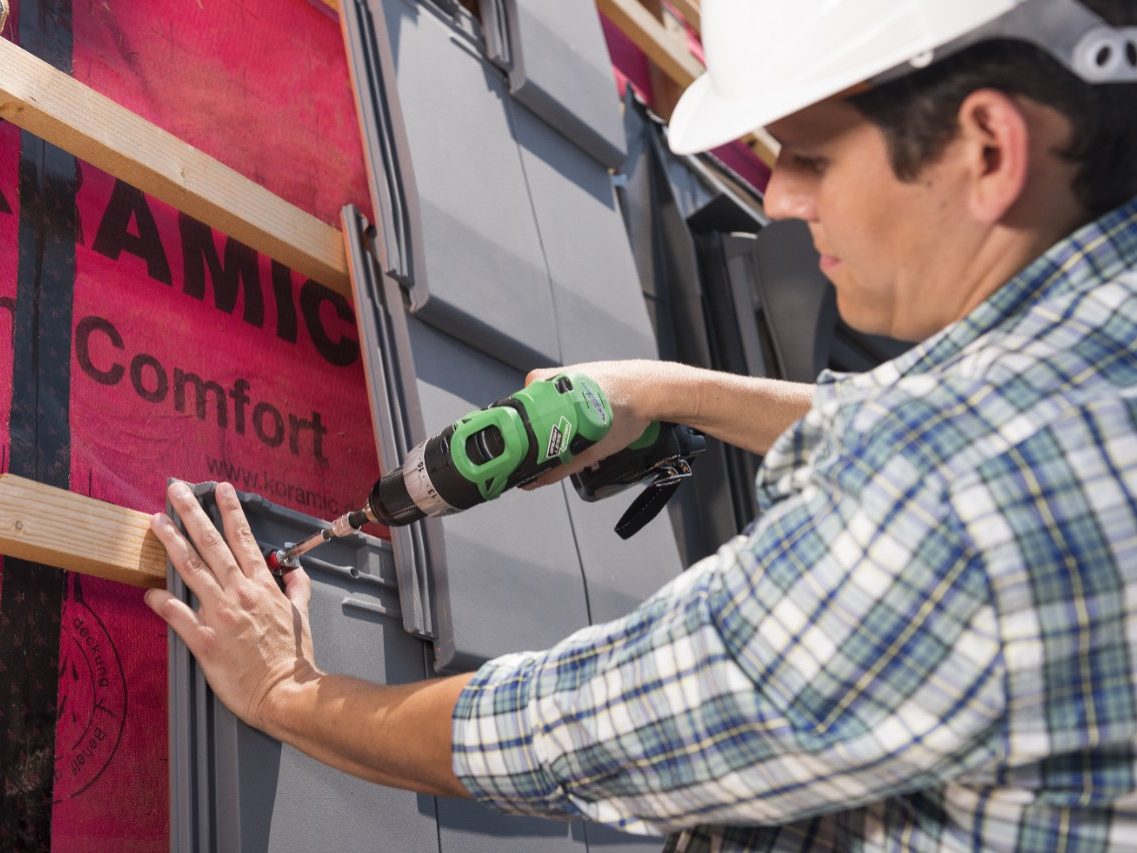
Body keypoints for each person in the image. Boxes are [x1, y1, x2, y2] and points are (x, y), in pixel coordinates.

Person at [145, 0, 1137, 848]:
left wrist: (285, 689)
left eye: (811, 157)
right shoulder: (1091, 334)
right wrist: (665, 392)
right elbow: (916, 409)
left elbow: (571, 731)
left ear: (990, 148)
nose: (780, 201)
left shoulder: (947, 497)